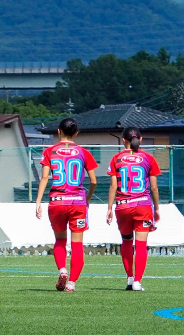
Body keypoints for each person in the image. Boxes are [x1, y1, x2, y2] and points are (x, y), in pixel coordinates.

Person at [34, 117, 98, 292]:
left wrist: (38, 201)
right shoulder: (84, 153)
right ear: (76, 133)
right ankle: (72, 283)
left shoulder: (49, 151)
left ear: (58, 131)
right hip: (78, 202)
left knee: (60, 240)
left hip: (57, 202)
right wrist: (88, 198)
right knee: (77, 244)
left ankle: (62, 270)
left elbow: (44, 178)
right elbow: (93, 181)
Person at [107, 127, 161, 292]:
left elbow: (113, 186)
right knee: (141, 244)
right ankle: (137, 281)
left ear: (123, 140)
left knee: (126, 241)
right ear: (141, 139)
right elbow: (154, 188)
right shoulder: (148, 158)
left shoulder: (116, 158)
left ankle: (130, 278)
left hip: (123, 206)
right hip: (142, 205)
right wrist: (157, 208)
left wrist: (109, 208)